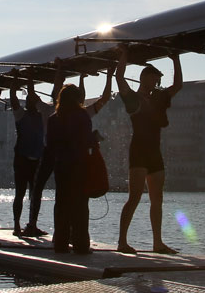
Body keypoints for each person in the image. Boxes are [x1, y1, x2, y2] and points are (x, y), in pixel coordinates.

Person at [21, 62, 114, 237]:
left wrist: (31, 77)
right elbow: (105, 98)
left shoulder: (50, 112)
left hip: (54, 156)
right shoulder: (84, 113)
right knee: (79, 198)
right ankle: (77, 236)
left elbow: (33, 96)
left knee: (50, 193)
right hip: (78, 160)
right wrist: (109, 75)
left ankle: (52, 233)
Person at [115, 44, 182, 255]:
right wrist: (124, 55)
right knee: (134, 197)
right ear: (145, 78)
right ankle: (122, 241)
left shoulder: (159, 97)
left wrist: (175, 58)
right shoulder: (133, 98)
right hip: (139, 152)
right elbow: (120, 79)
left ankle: (158, 243)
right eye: (154, 78)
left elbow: (178, 85)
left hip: (155, 152)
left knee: (157, 198)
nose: (157, 82)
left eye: (158, 79)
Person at [47, 84, 95, 254]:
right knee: (80, 205)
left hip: (61, 166)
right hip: (79, 165)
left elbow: (50, 144)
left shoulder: (53, 119)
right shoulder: (82, 116)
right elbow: (87, 140)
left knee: (61, 204)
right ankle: (81, 244)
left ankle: (60, 243)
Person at [10, 80, 48, 236]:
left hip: (36, 159)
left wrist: (30, 81)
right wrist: (13, 87)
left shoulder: (43, 115)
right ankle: (17, 225)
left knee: (35, 194)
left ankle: (32, 224)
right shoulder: (21, 114)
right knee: (20, 193)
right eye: (30, 101)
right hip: (22, 159)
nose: (32, 103)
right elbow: (13, 101)